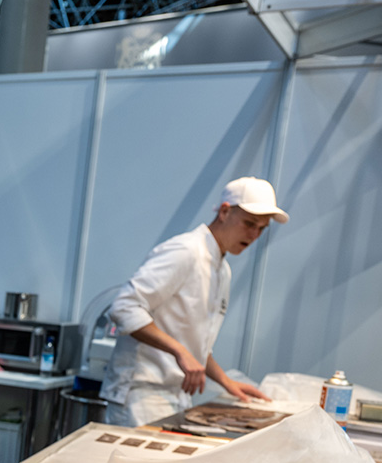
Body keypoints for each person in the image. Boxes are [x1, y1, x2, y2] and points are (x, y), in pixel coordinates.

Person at [100, 177, 287, 427]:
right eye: (249, 223)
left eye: (262, 229)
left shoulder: (222, 270)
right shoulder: (185, 251)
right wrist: (180, 352)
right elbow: (124, 306)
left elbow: (196, 345)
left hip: (176, 396)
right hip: (141, 395)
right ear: (224, 212)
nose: (254, 235)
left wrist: (226, 382)